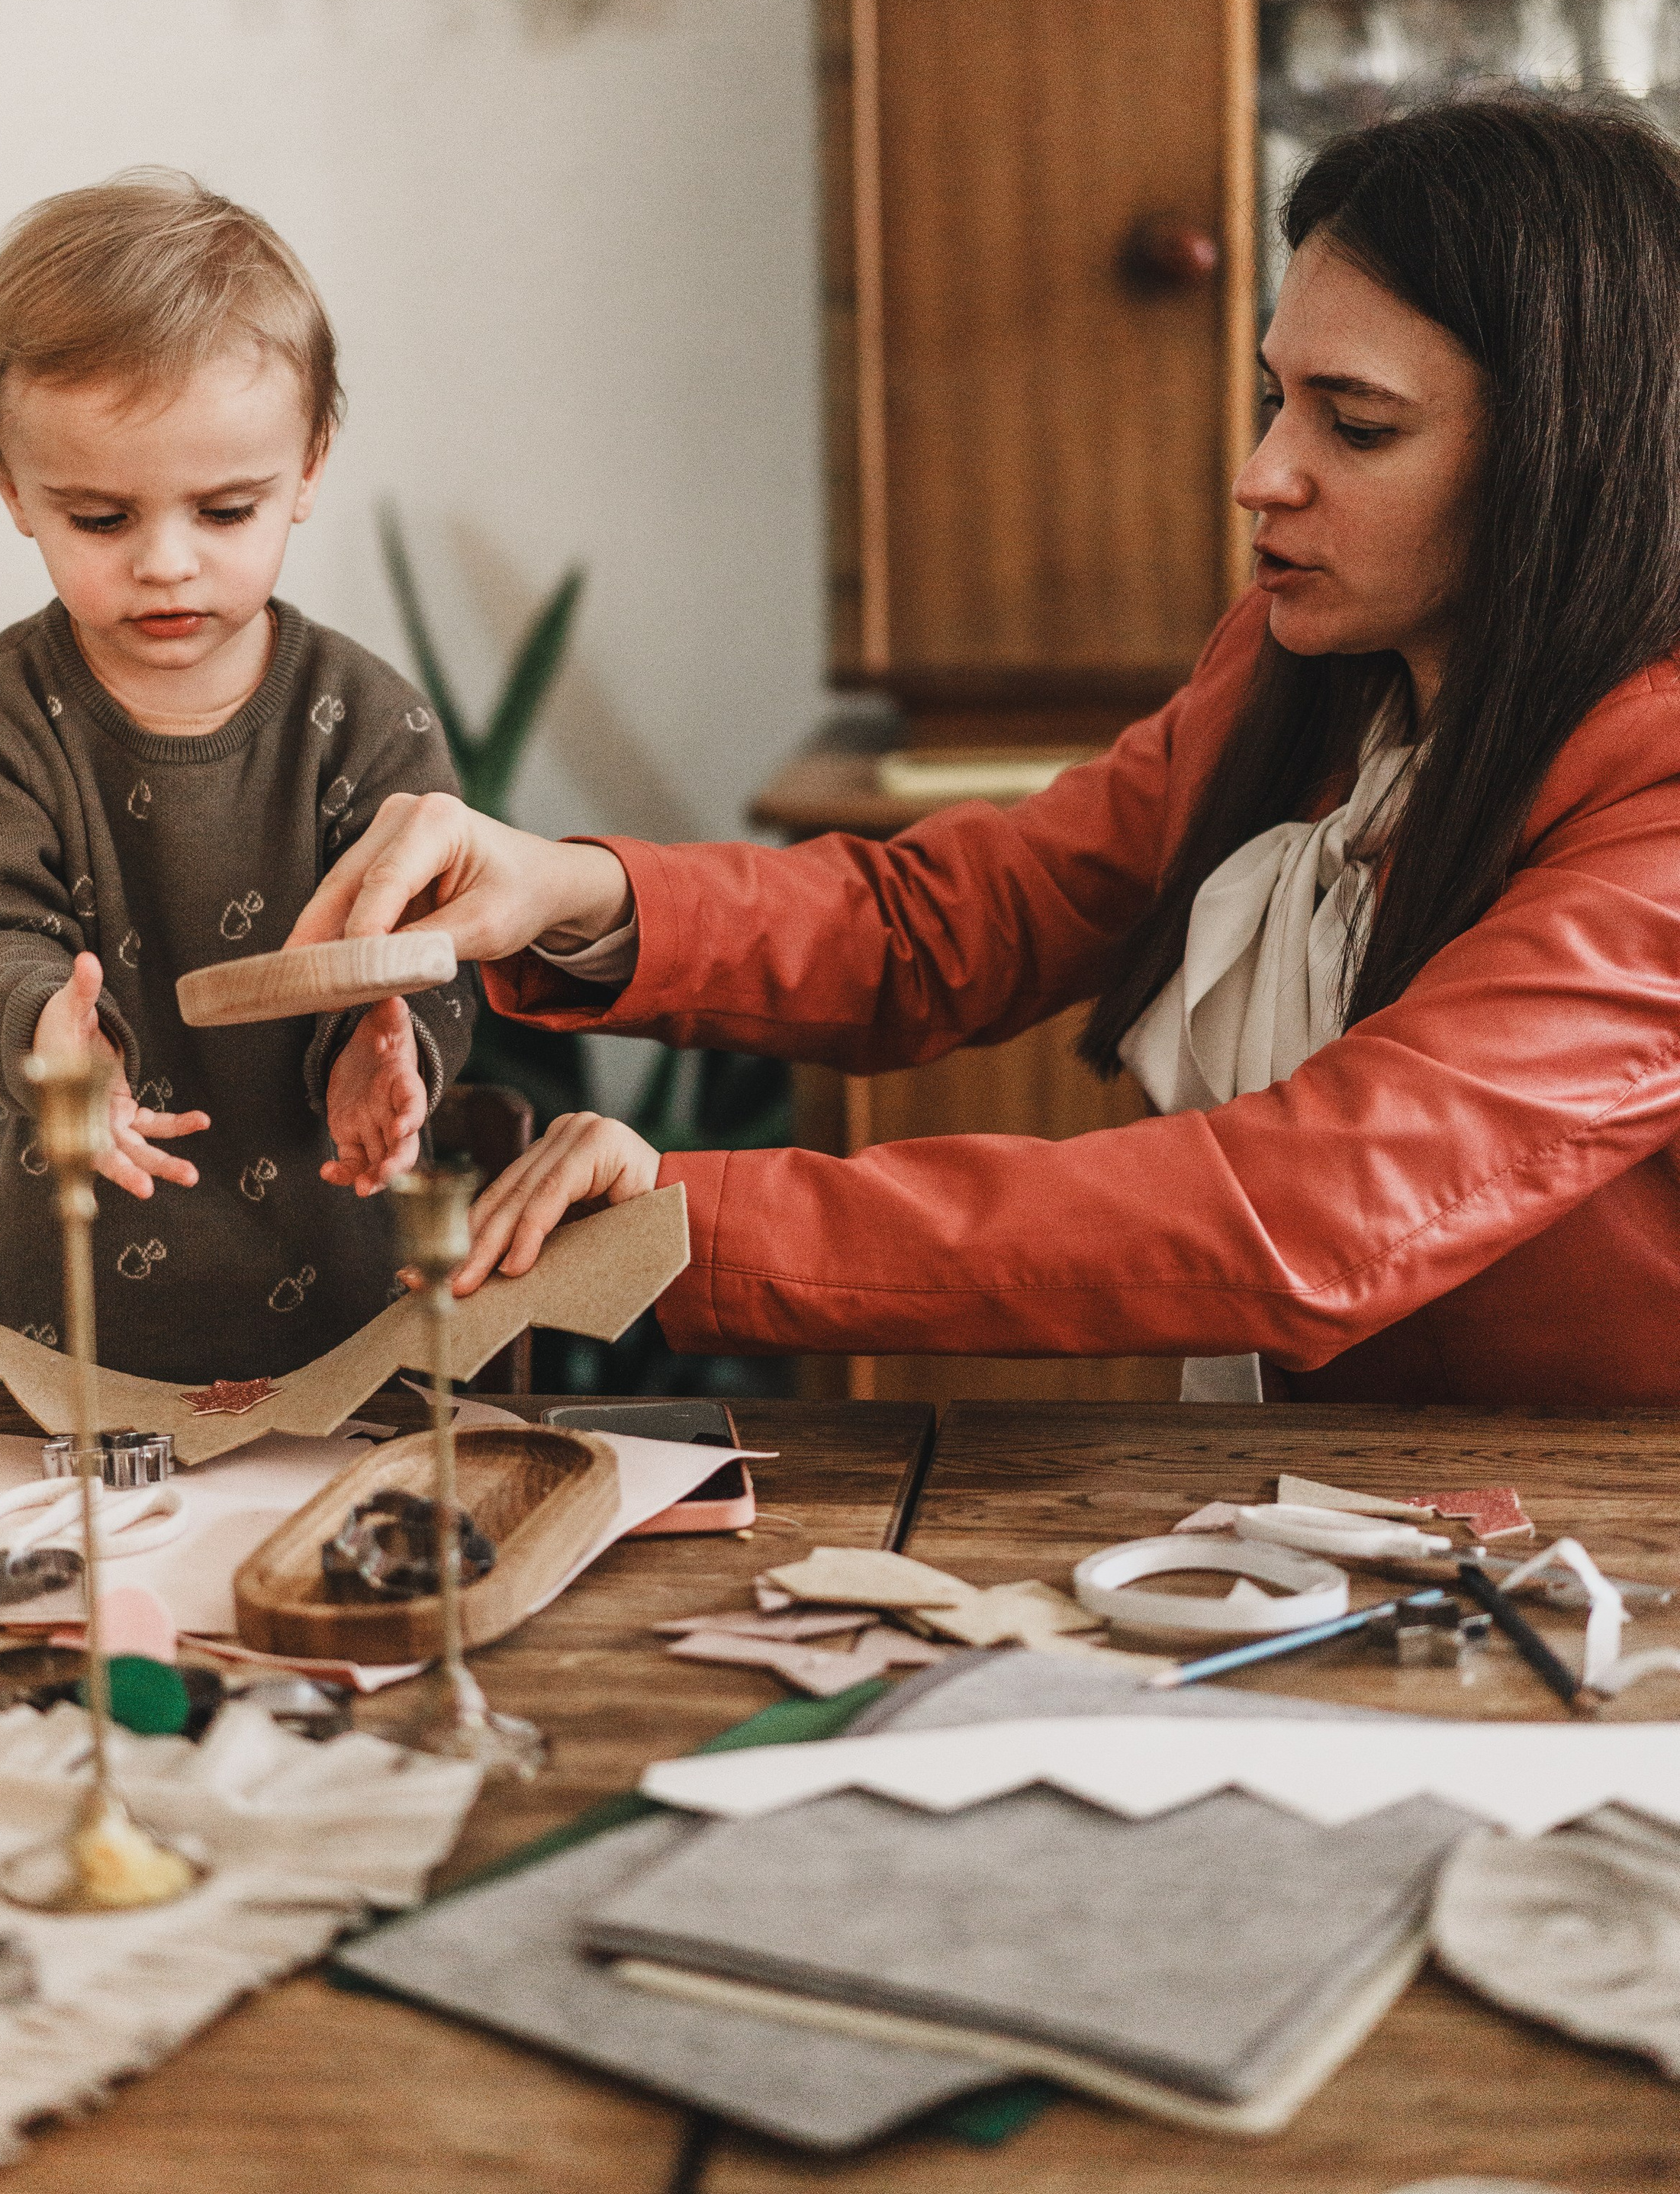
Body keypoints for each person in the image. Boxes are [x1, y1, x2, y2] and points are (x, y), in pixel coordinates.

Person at [288, 97, 1680, 1414]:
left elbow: (1310, 1201)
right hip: (1354, 1504)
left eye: (1355, 424)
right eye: (1276, 398)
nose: (1265, 471)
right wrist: (565, 889)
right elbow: (963, 917)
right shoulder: (1301, 668)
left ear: (1568, 458)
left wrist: (692, 1221)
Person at [0, 171, 474, 1380]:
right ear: (13, 490)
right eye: (100, 519)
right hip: (66, 1332)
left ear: (307, 468)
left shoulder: (369, 720)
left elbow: (438, 944)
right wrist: (49, 1024)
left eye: (224, 510)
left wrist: (392, 1043)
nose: (167, 563)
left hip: (343, 1326)